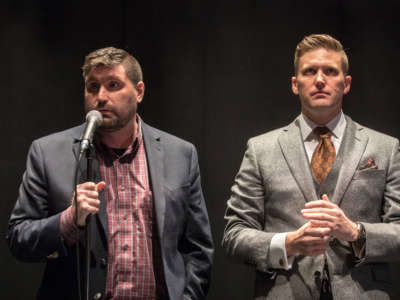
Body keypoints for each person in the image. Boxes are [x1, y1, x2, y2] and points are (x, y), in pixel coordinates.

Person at [7, 47, 214, 300]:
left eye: (113, 85)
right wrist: (69, 219)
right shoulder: (48, 152)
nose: (101, 96)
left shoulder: (180, 154)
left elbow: (198, 249)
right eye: (93, 87)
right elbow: (19, 240)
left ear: (139, 91)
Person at [222, 34, 400, 300]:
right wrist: (287, 244)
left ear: (346, 83)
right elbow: (234, 235)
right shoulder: (261, 150)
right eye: (309, 71)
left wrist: (355, 233)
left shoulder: (385, 147)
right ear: (295, 84)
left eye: (330, 71)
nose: (319, 79)